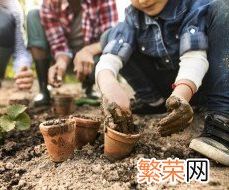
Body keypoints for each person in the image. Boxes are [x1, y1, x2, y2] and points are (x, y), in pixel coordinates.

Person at [96, 0, 229, 166]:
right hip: (169, 89)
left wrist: (182, 93)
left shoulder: (193, 6)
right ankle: (154, 102)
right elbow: (110, 58)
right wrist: (109, 84)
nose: (143, 1)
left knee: (224, 7)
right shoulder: (133, 16)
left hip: (204, 84)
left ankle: (221, 120)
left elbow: (194, 57)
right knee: (109, 37)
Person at [27, 0, 118, 106]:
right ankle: (43, 89)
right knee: (33, 14)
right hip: (63, 58)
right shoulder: (50, 2)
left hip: (93, 59)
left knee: (111, 50)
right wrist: (61, 62)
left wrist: (88, 51)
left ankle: (88, 87)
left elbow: (112, 38)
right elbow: (58, 44)